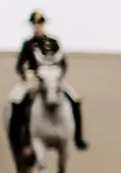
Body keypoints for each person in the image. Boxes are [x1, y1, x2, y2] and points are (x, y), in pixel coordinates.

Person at [8, 11, 88, 153]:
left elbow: (63, 63)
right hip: (34, 80)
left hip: (53, 80)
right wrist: (26, 75)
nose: (37, 27)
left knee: (75, 99)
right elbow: (20, 65)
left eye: (40, 24)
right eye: (35, 25)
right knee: (17, 100)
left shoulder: (53, 43)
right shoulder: (28, 44)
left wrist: (58, 76)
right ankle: (19, 137)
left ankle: (78, 137)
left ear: (43, 25)